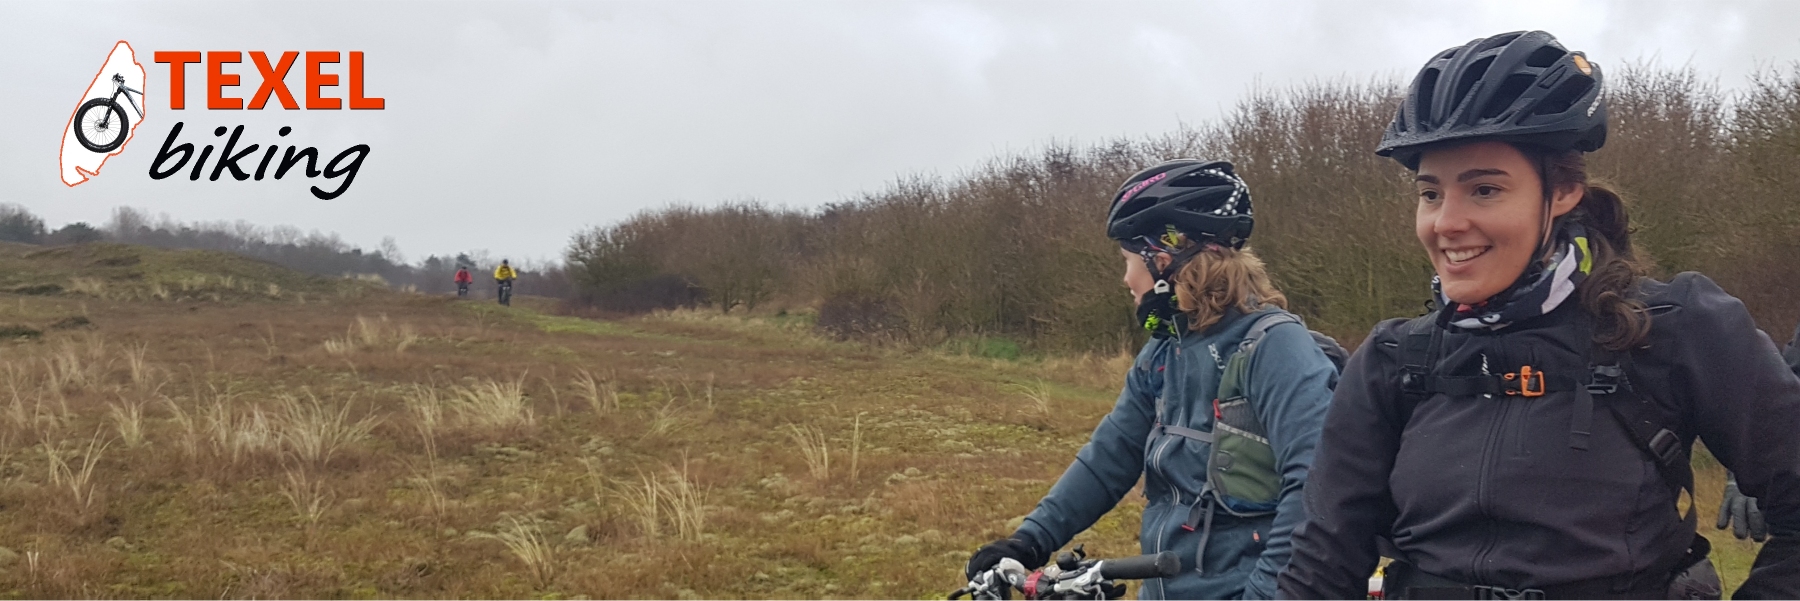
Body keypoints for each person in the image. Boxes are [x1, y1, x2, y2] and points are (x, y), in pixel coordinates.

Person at [1275, 31, 1800, 600]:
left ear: (1566, 189)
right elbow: (1322, 565)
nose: (1446, 223)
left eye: (1484, 190)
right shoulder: (1393, 361)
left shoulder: (1675, 329)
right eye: (1430, 194)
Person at [964, 161, 1339, 599]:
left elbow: (1315, 489)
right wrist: (1029, 540)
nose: (1126, 279)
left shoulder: (1275, 348)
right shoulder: (1165, 352)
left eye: (1128, 260)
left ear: (1165, 258)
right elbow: (1110, 457)